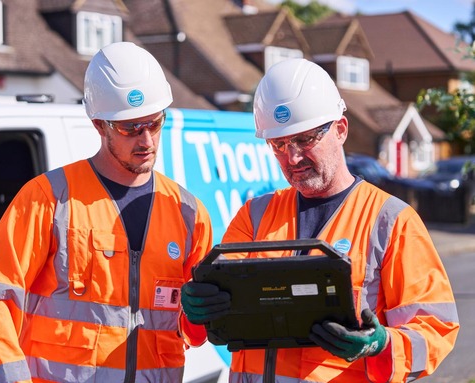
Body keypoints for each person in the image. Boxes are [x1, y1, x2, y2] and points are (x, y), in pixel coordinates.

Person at [181, 58, 459, 383]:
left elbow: (435, 329)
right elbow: (214, 315)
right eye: (279, 144)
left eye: (304, 139)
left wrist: (382, 345)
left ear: (340, 129)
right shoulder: (254, 217)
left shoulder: (391, 221)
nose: (292, 157)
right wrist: (195, 311)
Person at [0, 41, 212, 383]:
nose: (146, 140)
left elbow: (193, 334)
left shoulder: (188, 213)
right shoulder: (47, 199)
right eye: (130, 128)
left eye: (155, 123)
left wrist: (202, 314)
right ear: (100, 124)